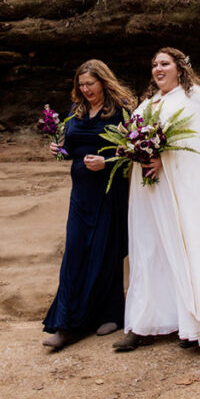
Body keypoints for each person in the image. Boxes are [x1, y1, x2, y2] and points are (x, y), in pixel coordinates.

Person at [113, 47, 200, 351]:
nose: (158, 69)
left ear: (180, 67)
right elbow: (134, 135)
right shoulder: (149, 103)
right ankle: (146, 321)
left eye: (164, 63)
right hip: (150, 191)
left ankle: (198, 320)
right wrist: (132, 150)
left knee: (187, 248)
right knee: (151, 250)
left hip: (181, 189)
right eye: (154, 64)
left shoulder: (196, 99)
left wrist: (165, 159)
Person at [42, 60, 136, 350]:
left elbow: (134, 150)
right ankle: (68, 323)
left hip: (110, 191)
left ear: (103, 82)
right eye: (81, 85)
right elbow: (74, 146)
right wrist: (60, 150)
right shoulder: (77, 110)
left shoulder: (121, 109)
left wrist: (106, 162)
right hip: (81, 193)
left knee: (105, 251)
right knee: (75, 252)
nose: (85, 90)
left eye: (90, 84)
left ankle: (111, 314)